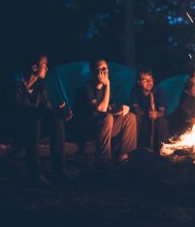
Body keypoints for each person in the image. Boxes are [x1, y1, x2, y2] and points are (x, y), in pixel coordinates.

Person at [8, 52, 73, 186]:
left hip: (33, 127)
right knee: (33, 121)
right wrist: (44, 112)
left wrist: (58, 112)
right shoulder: (13, 84)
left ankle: (59, 170)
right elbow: (19, 110)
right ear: (34, 67)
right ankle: (35, 173)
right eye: (45, 65)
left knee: (56, 121)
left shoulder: (40, 85)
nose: (47, 68)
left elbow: (46, 106)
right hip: (15, 129)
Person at [73, 59, 137, 164]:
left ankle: (124, 157)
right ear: (94, 72)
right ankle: (104, 160)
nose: (104, 71)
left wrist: (121, 109)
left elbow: (110, 107)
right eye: (100, 68)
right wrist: (107, 84)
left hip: (103, 128)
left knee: (130, 117)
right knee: (107, 117)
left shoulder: (106, 90)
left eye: (106, 68)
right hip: (86, 130)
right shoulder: (87, 88)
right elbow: (101, 109)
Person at [130, 69, 169, 152]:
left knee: (162, 121)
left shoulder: (158, 91)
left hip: (156, 118)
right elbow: (135, 108)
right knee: (134, 117)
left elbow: (162, 111)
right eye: (145, 80)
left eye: (151, 79)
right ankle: (134, 150)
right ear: (139, 82)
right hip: (143, 117)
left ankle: (164, 150)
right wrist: (147, 112)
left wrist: (156, 114)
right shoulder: (135, 91)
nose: (149, 82)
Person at [171, 69, 195, 135]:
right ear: (192, 79)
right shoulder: (185, 95)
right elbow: (180, 115)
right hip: (188, 131)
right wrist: (190, 119)